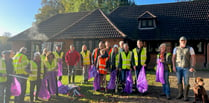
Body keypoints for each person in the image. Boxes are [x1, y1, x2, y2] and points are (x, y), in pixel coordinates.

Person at [172, 36, 196, 101]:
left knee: (186, 82)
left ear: (186, 41)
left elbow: (193, 57)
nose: (183, 42)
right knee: (179, 81)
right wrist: (173, 66)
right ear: (179, 41)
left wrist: (192, 66)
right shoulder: (176, 49)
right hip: (178, 67)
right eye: (182, 41)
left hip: (187, 68)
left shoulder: (190, 48)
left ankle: (185, 96)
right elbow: (173, 58)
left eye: (184, 40)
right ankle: (180, 94)